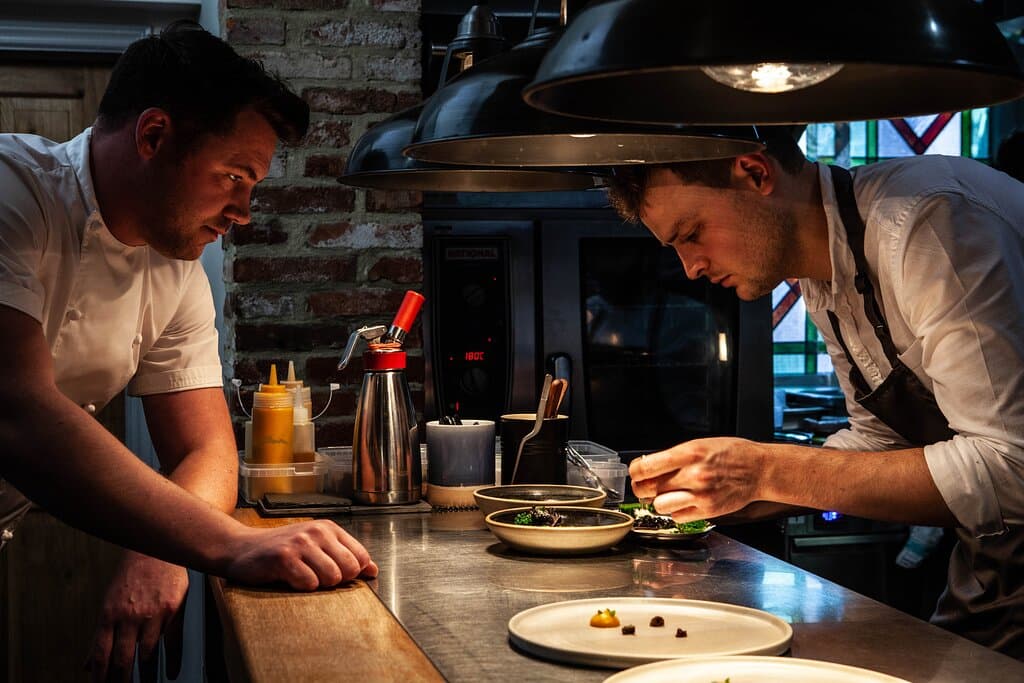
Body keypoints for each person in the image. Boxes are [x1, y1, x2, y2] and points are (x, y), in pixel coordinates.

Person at [0, 21, 377, 681]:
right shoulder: (12, 190)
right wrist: (227, 544)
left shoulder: (175, 270)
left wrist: (166, 551)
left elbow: (207, 451)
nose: (244, 211)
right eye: (234, 176)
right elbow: (17, 409)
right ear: (153, 136)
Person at [606, 129, 1024, 659]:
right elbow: (883, 445)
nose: (691, 268)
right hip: (993, 567)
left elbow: (1012, 468)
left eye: (691, 233)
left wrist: (763, 469)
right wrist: (712, 498)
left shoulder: (928, 220)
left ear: (755, 172)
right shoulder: (823, 271)